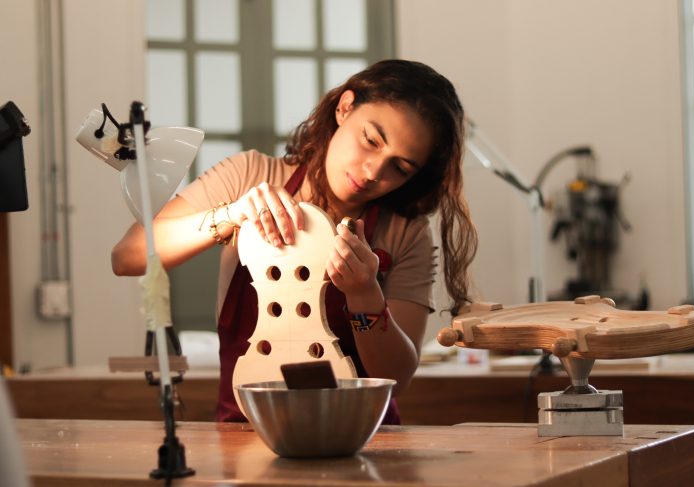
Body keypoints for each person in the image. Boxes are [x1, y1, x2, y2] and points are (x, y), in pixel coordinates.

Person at [112, 59, 477, 424]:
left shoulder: (406, 233)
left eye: (399, 168)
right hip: (249, 429)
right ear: (344, 107)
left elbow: (396, 379)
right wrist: (230, 215)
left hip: (363, 435)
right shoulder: (250, 175)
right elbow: (127, 256)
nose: (372, 171)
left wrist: (365, 294)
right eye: (370, 140)